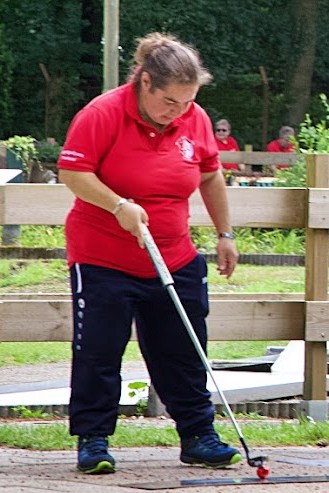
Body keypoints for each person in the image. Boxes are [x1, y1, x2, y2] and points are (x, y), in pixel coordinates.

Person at [58, 32, 241, 475]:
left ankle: (199, 436)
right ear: (144, 82)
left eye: (187, 102)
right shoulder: (101, 113)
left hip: (174, 255)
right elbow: (73, 171)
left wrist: (225, 233)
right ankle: (94, 440)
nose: (178, 112)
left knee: (185, 348)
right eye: (170, 102)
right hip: (104, 256)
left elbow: (211, 175)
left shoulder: (193, 118)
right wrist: (119, 205)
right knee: (99, 352)